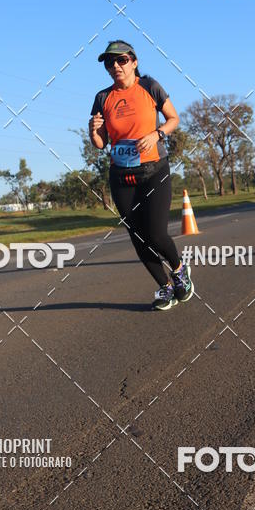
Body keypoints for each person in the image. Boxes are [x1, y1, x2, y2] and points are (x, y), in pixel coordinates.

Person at [88, 40, 193, 311]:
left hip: (153, 169)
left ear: (133, 62)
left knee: (156, 233)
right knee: (137, 235)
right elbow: (100, 144)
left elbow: (173, 118)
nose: (115, 66)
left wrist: (156, 134)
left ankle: (180, 270)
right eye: (109, 62)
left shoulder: (149, 87)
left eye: (121, 60)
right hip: (121, 174)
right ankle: (165, 287)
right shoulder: (102, 98)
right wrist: (93, 130)